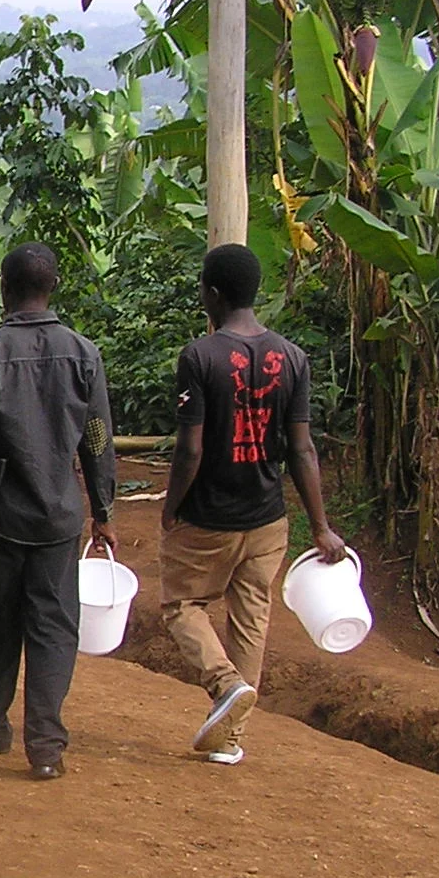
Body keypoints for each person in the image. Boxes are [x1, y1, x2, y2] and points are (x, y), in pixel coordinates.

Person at [162, 243, 348, 765]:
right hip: (268, 519)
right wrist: (321, 527)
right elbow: (302, 448)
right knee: (250, 617)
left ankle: (224, 686)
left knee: (182, 606)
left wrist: (171, 506)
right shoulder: (293, 357)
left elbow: (191, 448)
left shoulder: (199, 357)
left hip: (208, 518)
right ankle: (232, 738)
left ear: (212, 294)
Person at [0, 243, 117, 781]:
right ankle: (46, 746)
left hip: (1, 518)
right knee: (54, 629)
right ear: (53, 286)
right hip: (60, 516)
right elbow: (97, 438)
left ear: (4, 288)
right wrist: (104, 510)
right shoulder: (84, 354)